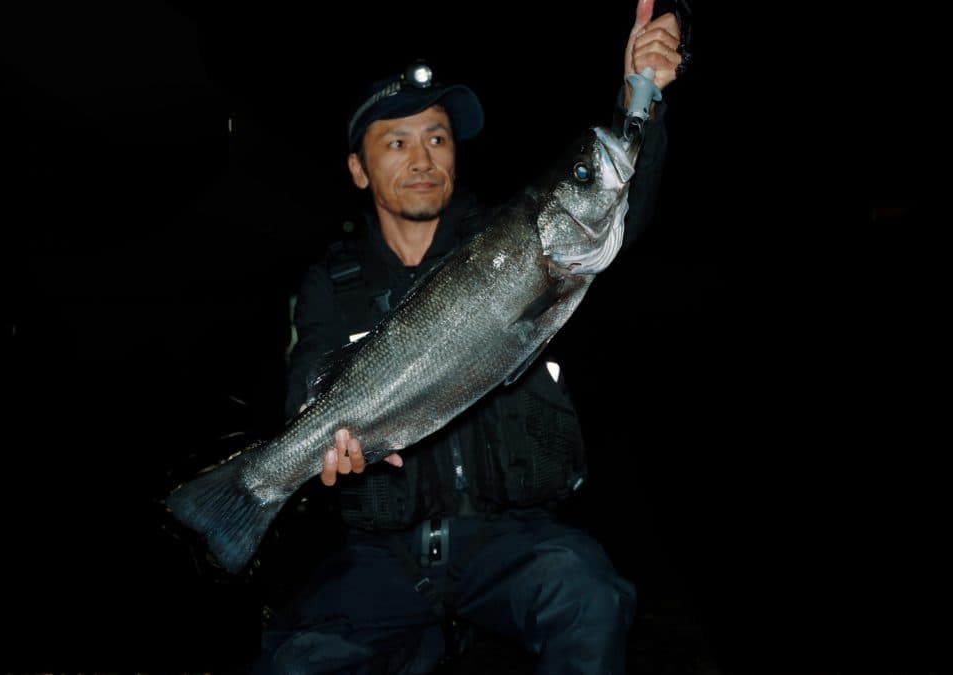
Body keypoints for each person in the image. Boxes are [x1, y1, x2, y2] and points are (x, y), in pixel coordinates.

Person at [254, 2, 686, 673]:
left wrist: (642, 93)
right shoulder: (328, 284)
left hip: (511, 538)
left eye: (438, 137)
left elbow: (622, 197)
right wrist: (316, 449)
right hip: (383, 555)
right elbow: (308, 383)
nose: (423, 158)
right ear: (358, 170)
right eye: (396, 142)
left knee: (588, 597)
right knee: (295, 660)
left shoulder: (509, 238)